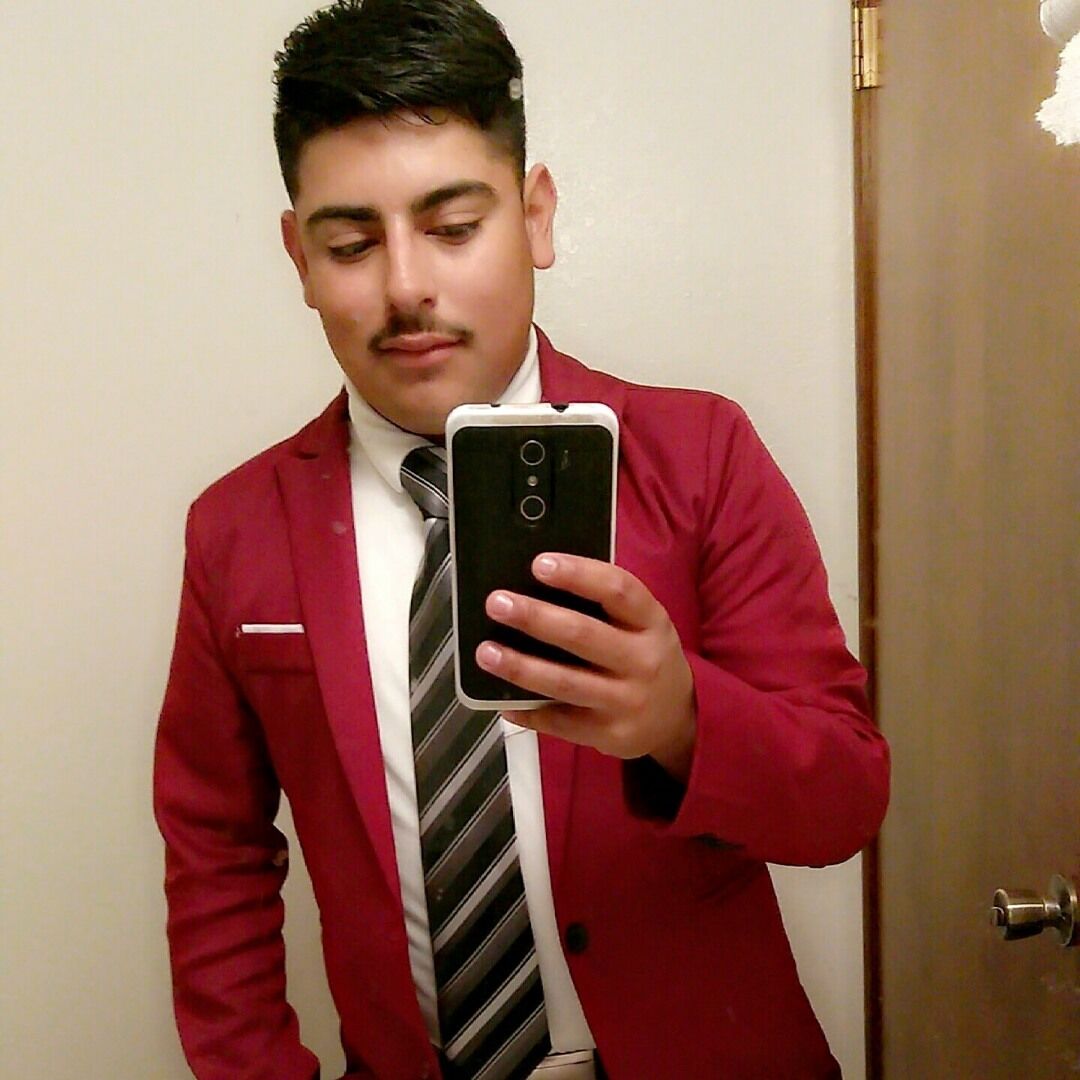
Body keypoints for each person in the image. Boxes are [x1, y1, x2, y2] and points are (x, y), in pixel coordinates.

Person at [153, 1, 890, 1077]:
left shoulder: (699, 456)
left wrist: (682, 721)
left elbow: (844, 805)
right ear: (299, 257)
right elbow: (214, 851)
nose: (406, 285)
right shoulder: (237, 529)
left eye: (454, 228)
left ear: (535, 216)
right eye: (351, 243)